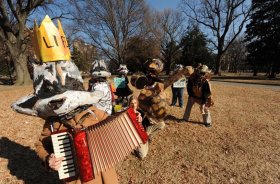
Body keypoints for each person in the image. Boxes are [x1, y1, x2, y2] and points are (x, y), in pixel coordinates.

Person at [11, 15, 119, 184]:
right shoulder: (53, 123)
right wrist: (48, 159)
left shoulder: (93, 111)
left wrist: (134, 119)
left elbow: (114, 123)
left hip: (106, 175)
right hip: (77, 178)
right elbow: (40, 145)